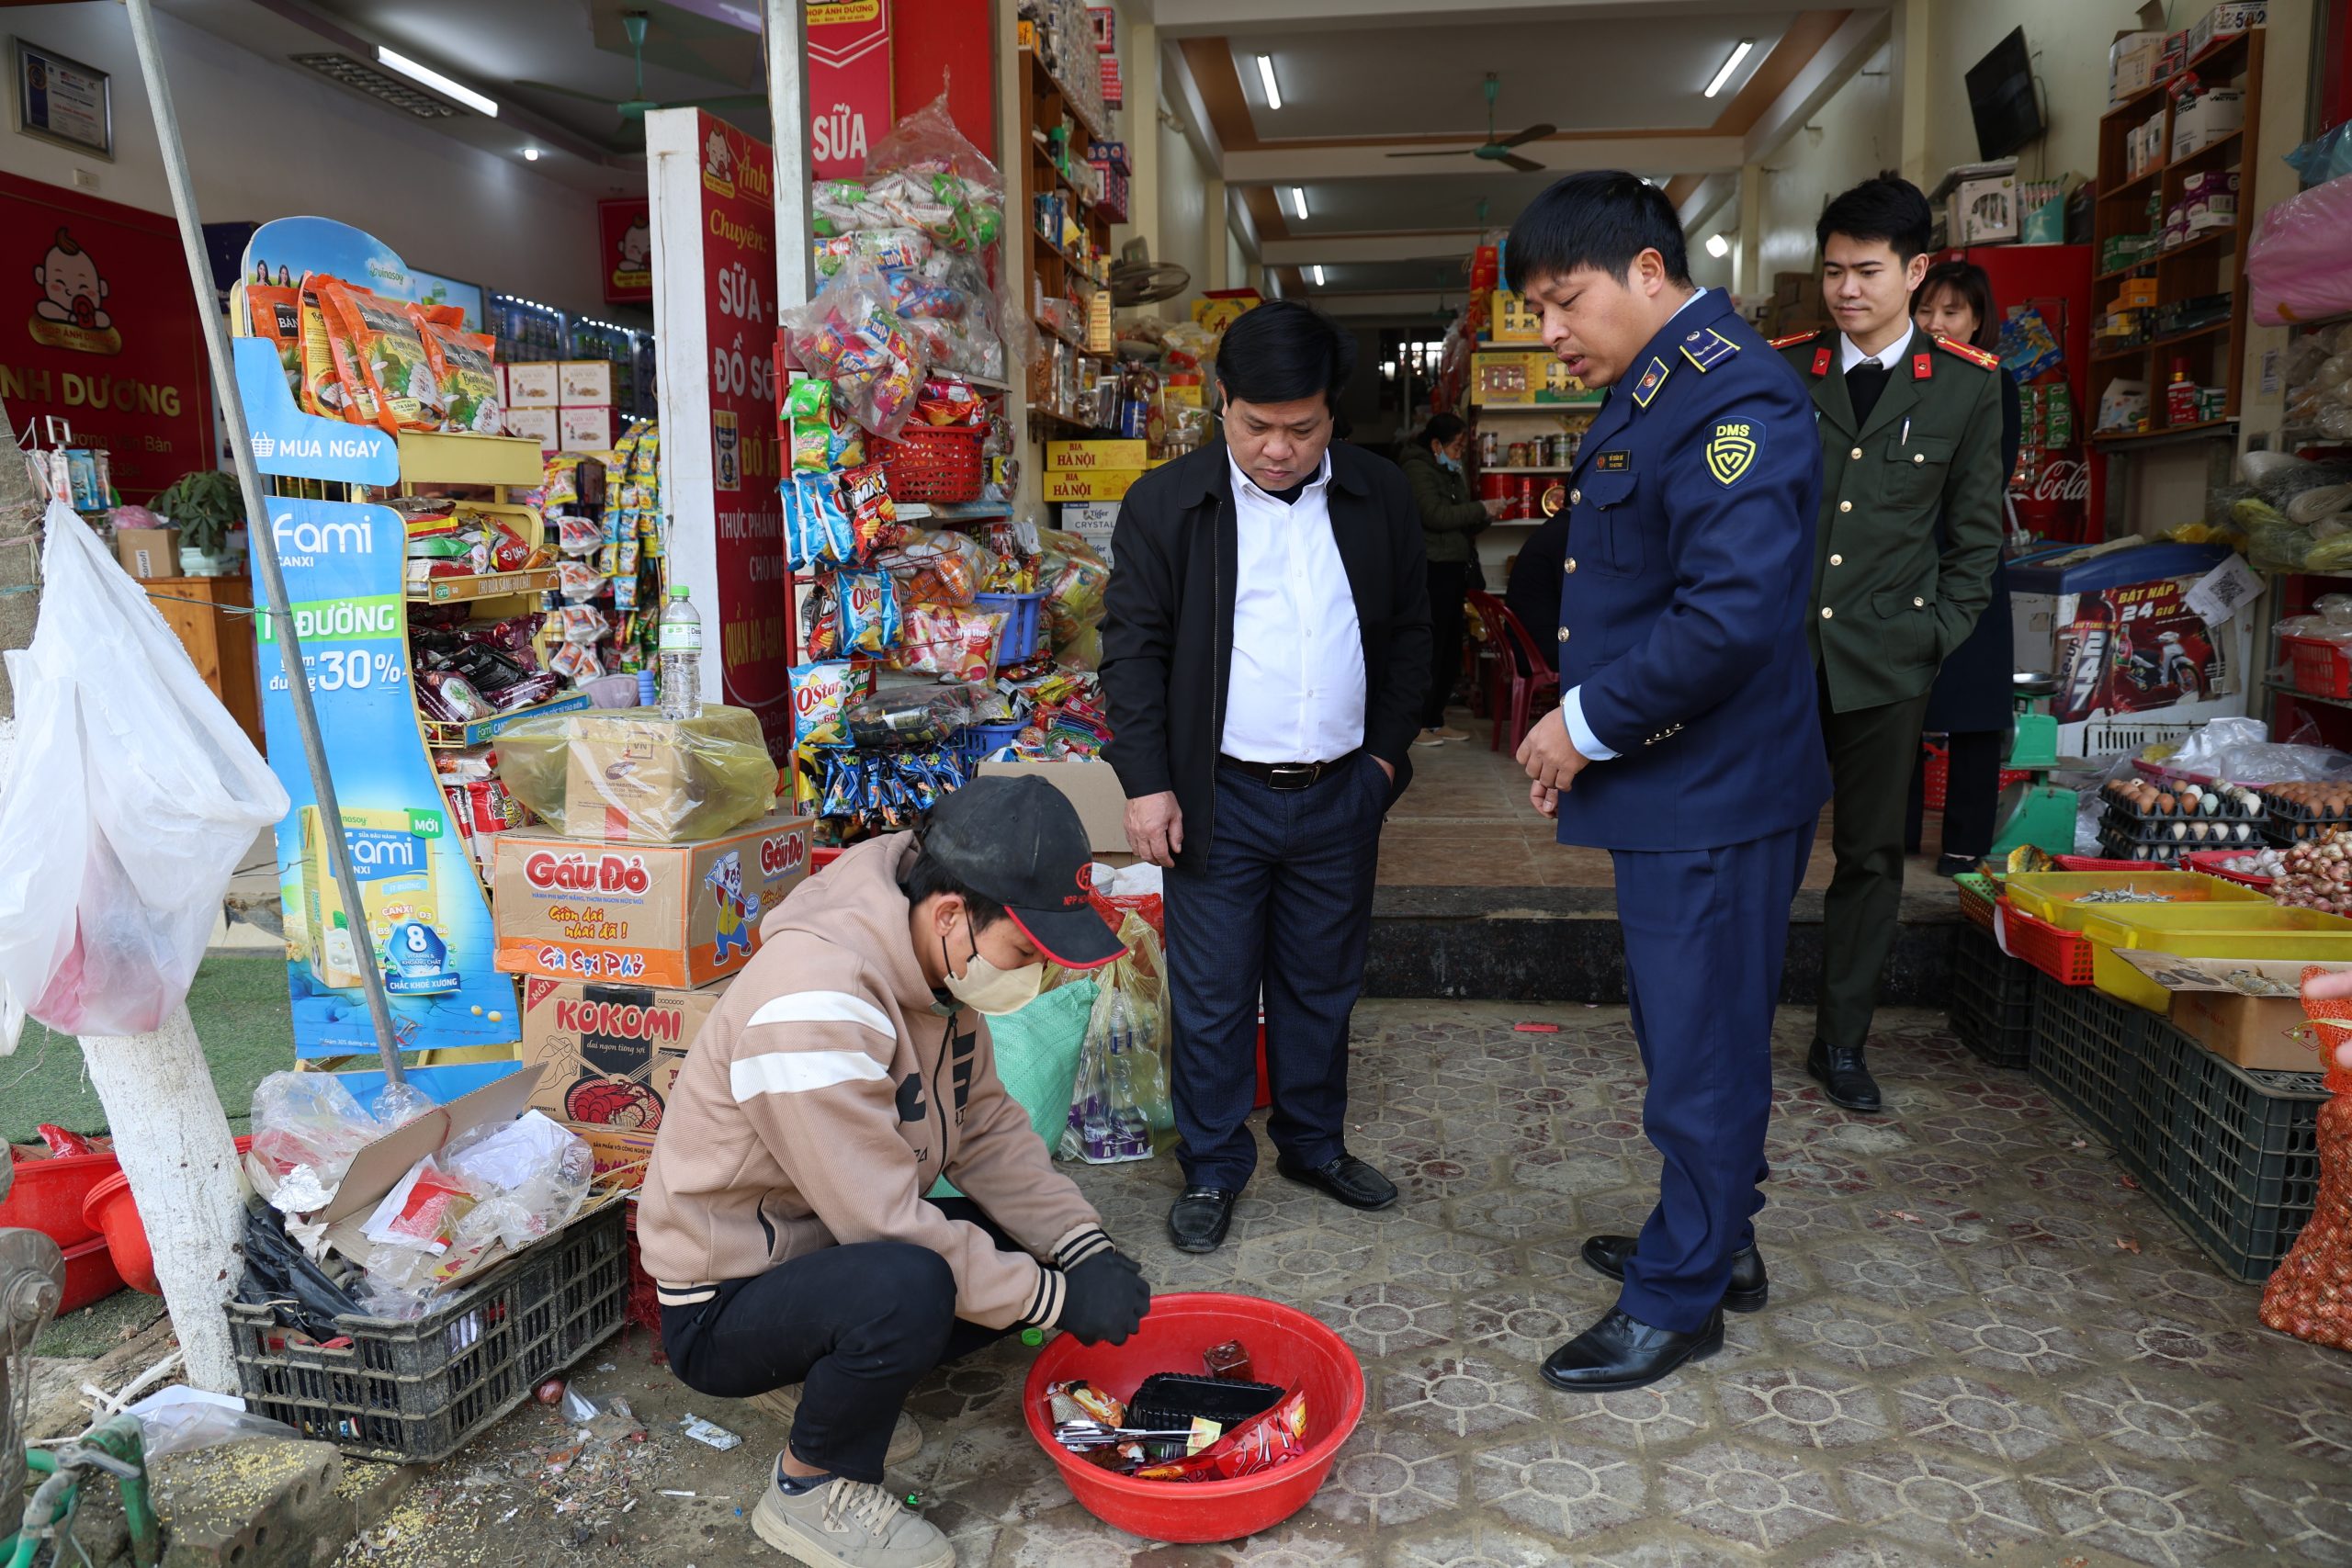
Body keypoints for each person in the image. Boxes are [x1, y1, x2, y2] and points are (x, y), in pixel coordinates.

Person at [638, 775, 1151, 1568]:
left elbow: (984, 1125)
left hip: (817, 1253)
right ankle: (808, 1488)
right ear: (952, 912)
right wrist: (1057, 1299)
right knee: (912, 1286)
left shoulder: (938, 966)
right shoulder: (814, 1006)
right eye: (1027, 952)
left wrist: (1082, 1248)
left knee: (1016, 1255)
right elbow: (884, 1224)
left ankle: (820, 1371)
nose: (1038, 977)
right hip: (724, 1297)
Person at [1507, 171, 1829, 1393]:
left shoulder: (1733, 393)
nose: (1551, 333)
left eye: (1563, 301)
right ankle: (1717, 1235)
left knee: (1701, 1047)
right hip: (1685, 781)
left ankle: (1679, 1293)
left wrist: (1583, 720)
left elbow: (1734, 612)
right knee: (1687, 1030)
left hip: (1714, 785)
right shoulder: (1662, 381)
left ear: (1650, 270)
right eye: (1538, 310)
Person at [1100, 299, 1431, 1256]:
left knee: (1320, 984)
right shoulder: (1167, 505)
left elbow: (1412, 634)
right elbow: (1132, 653)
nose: (1277, 449)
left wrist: (1384, 759)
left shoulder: (1376, 497)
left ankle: (1312, 1145)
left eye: (1301, 428)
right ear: (1221, 404)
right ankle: (1211, 1165)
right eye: (1255, 427)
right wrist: (1147, 780)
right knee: (1209, 992)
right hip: (1218, 796)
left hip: (1341, 791)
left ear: (1333, 416)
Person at [1774, 175, 2004, 1114]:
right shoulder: (1783, 372)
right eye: (1832, 271)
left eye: (1866, 271)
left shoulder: (1965, 388)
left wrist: (1935, 636)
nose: (1845, 290)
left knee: (1869, 857)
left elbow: (1975, 534)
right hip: (1778, 659)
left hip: (1887, 661)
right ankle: (1733, 1024)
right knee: (1760, 849)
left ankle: (1841, 1041)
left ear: (1914, 272)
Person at [1907, 260, 2021, 877]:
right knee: (1899, 702)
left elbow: (1988, 480)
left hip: (1968, 563)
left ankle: (1963, 842)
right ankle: (1893, 835)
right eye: (1925, 311)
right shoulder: (1901, 378)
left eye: (1952, 312)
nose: (1936, 323)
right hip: (1900, 563)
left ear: (1978, 320)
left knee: (1974, 710)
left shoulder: (1992, 383)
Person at [1397, 412, 1507, 743]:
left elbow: (1461, 516)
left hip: (1453, 567)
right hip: (1432, 568)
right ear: (1435, 444)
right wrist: (1480, 508)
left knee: (1448, 648)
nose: (1458, 454)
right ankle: (1415, 723)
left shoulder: (1450, 470)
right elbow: (1435, 515)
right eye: (1455, 447)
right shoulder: (1416, 468)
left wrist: (1487, 514)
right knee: (1429, 647)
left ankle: (1434, 717)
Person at [1507, 507, 1570, 673]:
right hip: (1536, 650)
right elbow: (1572, 598)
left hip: (1525, 641)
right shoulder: (1565, 534)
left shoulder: (1555, 527)